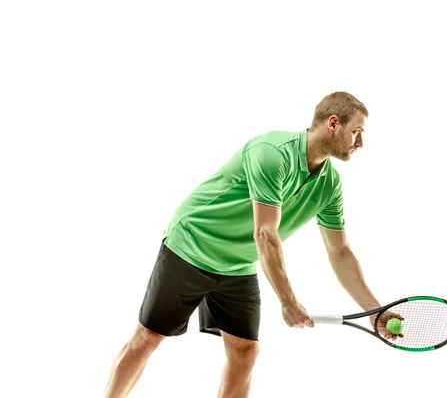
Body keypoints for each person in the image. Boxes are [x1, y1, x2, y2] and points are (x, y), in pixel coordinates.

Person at [103, 91, 383, 398]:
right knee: (147, 339)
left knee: (245, 351)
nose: (360, 143)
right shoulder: (272, 152)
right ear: (333, 123)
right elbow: (265, 233)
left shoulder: (329, 185)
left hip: (237, 265)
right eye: (357, 132)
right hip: (193, 245)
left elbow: (340, 252)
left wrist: (374, 310)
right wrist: (288, 302)